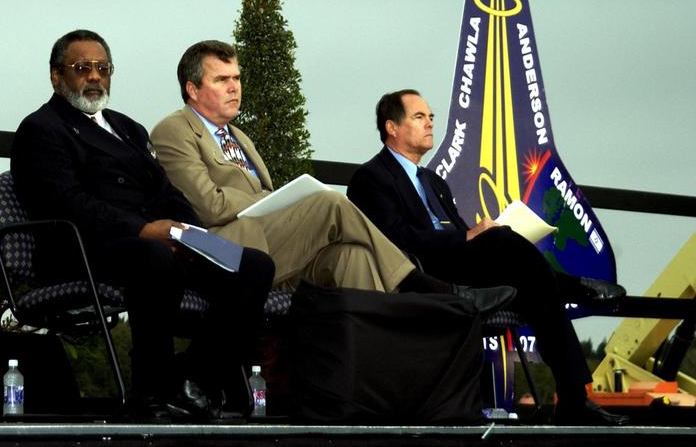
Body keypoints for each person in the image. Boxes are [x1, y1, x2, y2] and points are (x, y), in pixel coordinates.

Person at [10, 30, 277, 420]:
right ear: (56, 76)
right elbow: (69, 202)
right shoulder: (42, 128)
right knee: (155, 258)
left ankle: (190, 376)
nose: (95, 77)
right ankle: (149, 392)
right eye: (82, 68)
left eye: (103, 68)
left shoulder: (128, 128)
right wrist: (145, 229)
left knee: (253, 265)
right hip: (87, 244)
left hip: (162, 236)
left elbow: (165, 191)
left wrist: (186, 229)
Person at [347, 89, 629, 426]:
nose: (430, 124)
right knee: (509, 249)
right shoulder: (371, 177)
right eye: (419, 117)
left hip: (463, 264)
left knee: (529, 278)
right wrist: (468, 236)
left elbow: (465, 237)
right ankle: (572, 375)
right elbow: (395, 240)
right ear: (392, 127)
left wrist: (471, 236)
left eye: (431, 117)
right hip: (425, 272)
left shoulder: (434, 182)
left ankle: (572, 396)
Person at [151, 40, 510, 304]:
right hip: (226, 249)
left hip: (272, 243)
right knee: (328, 202)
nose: (234, 87)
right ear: (193, 89)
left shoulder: (240, 137)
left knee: (355, 258)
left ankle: (373, 382)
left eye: (237, 78)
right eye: (222, 80)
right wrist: (269, 202)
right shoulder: (173, 131)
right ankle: (427, 286)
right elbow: (209, 206)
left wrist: (273, 202)